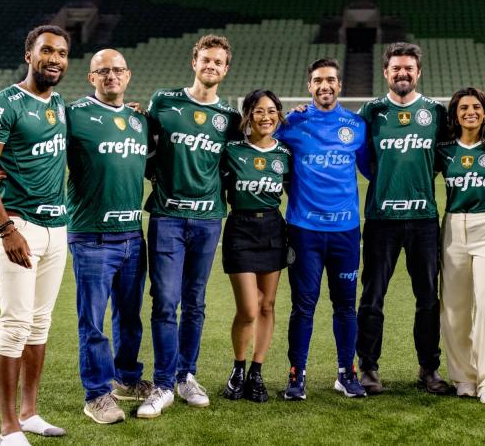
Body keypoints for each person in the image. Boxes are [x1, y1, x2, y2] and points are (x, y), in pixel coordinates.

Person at [0, 25, 70, 446]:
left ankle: (30, 413)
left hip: (57, 226)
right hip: (20, 226)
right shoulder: (3, 103)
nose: (55, 59)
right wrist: (6, 227)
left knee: (40, 325)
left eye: (63, 54)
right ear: (29, 54)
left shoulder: (62, 104)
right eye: (47, 51)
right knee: (14, 323)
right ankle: (8, 427)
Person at [137, 34, 241, 419]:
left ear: (225, 70)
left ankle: (186, 375)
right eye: (206, 60)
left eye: (218, 62)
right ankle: (162, 384)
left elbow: (234, 165)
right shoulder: (164, 102)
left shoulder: (229, 119)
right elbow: (141, 147)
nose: (211, 66)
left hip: (208, 219)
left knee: (195, 302)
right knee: (165, 301)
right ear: (194, 61)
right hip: (166, 216)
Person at [355, 42, 449, 395]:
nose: (403, 73)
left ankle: (429, 368)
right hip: (381, 219)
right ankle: (368, 367)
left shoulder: (435, 114)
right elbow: (362, 158)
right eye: (396, 68)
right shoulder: (371, 111)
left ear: (418, 72)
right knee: (372, 296)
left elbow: (445, 158)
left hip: (423, 219)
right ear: (386, 73)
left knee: (427, 297)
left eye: (409, 68)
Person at [65, 49, 151, 423]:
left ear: (128, 75)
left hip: (133, 235)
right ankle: (96, 394)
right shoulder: (73, 116)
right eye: (103, 71)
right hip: (92, 236)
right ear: (91, 78)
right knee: (93, 322)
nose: (111, 76)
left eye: (117, 70)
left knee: (130, 317)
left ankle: (126, 380)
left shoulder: (138, 120)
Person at [276, 58, 370, 400]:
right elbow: (258, 135)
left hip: (346, 231)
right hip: (304, 230)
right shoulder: (292, 122)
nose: (324, 86)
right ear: (309, 86)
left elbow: (371, 169)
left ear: (340, 85)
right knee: (304, 305)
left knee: (346, 305)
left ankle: (347, 373)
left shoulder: (356, 125)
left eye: (330, 80)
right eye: (318, 81)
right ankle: (296, 376)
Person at [435, 88, 485, 404]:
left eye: (476, 107)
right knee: (453, 309)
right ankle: (464, 377)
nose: (470, 111)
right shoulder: (443, 151)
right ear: (454, 114)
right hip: (452, 228)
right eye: (463, 107)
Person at [220, 89, 290, 403]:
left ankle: (256, 371)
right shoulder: (232, 150)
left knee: (267, 305)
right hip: (240, 229)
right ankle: (238, 367)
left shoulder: (285, 154)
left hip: (273, 229)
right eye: (259, 111)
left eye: (272, 111)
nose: (266, 117)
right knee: (248, 308)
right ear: (248, 115)